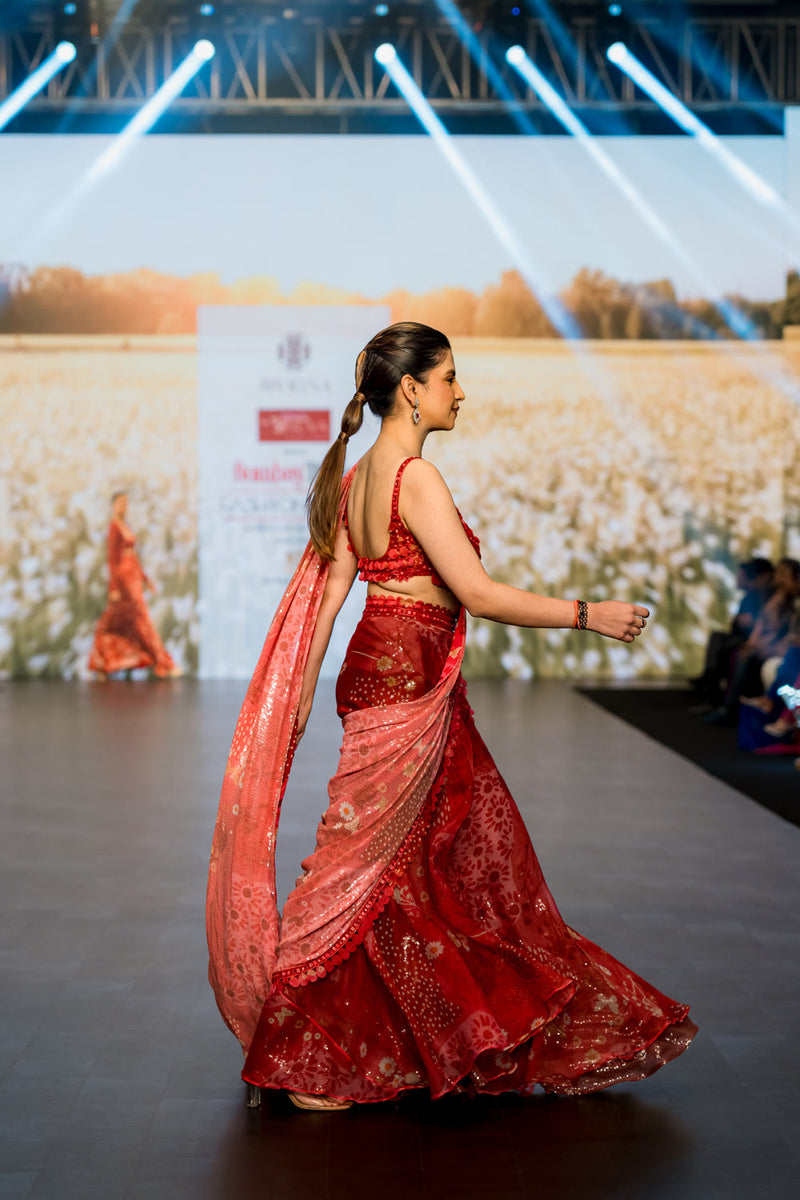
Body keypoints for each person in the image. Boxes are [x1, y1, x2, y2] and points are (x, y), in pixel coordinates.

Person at [206, 322, 697, 1112]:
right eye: (449, 378)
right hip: (407, 674)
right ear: (411, 389)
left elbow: (333, 597)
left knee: (413, 863)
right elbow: (476, 592)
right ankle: (308, 1049)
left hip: (381, 669)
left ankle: (386, 1042)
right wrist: (585, 613)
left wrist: (300, 705)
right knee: (373, 864)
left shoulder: (359, 473)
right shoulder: (413, 479)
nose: (460, 393)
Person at [88, 491, 181, 679]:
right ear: (113, 505)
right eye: (120, 503)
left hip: (132, 579)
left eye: (126, 503)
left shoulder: (125, 525)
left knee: (129, 622)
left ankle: (107, 664)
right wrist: (113, 587)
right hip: (123, 582)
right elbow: (112, 559)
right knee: (130, 621)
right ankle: (162, 663)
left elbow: (133, 556)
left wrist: (144, 578)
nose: (124, 506)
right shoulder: (114, 528)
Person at [689, 557, 773, 707]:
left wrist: (750, 624)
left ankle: (713, 682)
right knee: (718, 638)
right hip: (745, 638)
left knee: (726, 646)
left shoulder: (768, 598)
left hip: (758, 642)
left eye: (742, 576)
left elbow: (769, 626)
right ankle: (711, 679)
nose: (738, 580)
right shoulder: (750, 598)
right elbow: (735, 625)